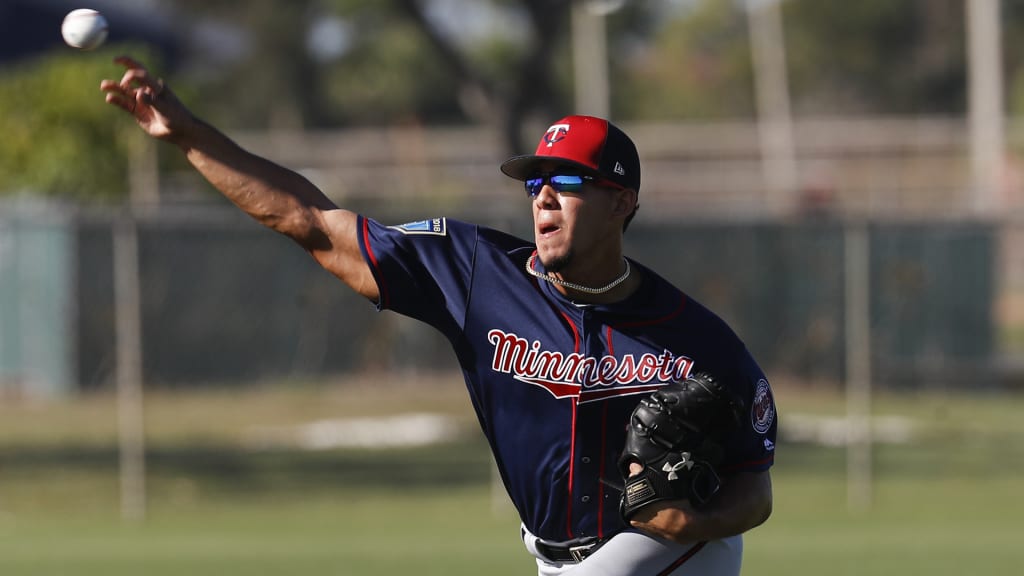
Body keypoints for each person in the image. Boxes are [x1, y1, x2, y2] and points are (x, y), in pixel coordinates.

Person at [101, 56, 776, 575]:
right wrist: (190, 136)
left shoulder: (695, 339)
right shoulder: (477, 272)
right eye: (534, 182)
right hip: (553, 553)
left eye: (566, 183)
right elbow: (310, 222)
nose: (542, 198)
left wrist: (696, 518)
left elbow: (756, 490)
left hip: (666, 553)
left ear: (621, 202)